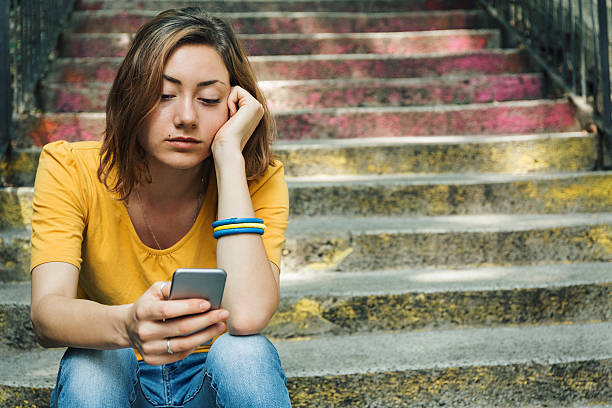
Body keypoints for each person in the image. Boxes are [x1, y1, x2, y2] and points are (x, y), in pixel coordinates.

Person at [29, 7, 291, 407]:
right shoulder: (70, 168)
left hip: (211, 379)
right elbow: (47, 314)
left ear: (235, 105)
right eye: (164, 95)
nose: (185, 117)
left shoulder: (255, 179)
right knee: (93, 363)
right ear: (133, 96)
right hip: (118, 371)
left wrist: (228, 156)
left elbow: (247, 316)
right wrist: (127, 325)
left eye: (208, 99)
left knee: (246, 353)